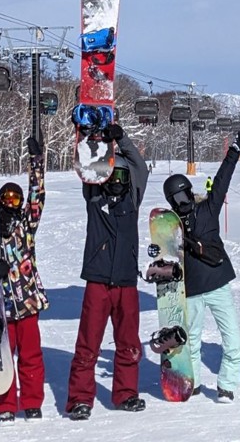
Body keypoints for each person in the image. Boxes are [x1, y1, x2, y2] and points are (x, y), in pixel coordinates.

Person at [66, 123, 150, 420]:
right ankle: (80, 399)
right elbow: (85, 166)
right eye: (111, 175)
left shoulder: (133, 201)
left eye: (122, 176)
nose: (116, 181)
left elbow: (140, 167)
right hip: (98, 280)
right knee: (88, 341)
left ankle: (126, 393)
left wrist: (121, 139)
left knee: (128, 342)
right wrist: (91, 137)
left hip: (126, 281)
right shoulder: (94, 198)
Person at [162, 132, 240, 403]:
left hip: (217, 283)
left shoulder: (208, 209)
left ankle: (226, 385)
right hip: (191, 290)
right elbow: (166, 258)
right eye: (175, 200)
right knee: (192, 340)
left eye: (183, 195)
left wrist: (234, 151)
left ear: (190, 192)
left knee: (233, 340)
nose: (181, 202)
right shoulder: (171, 226)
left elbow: (222, 180)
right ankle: (195, 382)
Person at [0, 137, 49, 425]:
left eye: (16, 199)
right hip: (1, 306)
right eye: (7, 199)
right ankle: (5, 405)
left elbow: (36, 197)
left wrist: (36, 163)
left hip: (27, 302)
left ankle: (31, 402)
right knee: (2, 358)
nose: (12, 204)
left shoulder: (26, 227)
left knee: (31, 356)